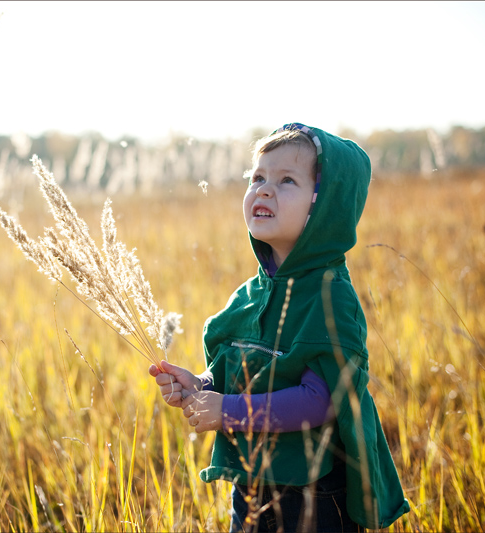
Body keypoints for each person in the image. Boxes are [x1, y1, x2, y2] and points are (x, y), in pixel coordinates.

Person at [149, 123, 410, 532]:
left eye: (287, 180)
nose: (265, 190)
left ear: (325, 207)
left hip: (314, 491)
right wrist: (200, 386)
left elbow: (320, 399)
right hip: (251, 482)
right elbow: (239, 370)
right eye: (257, 177)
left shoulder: (330, 297)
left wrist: (227, 411)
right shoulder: (250, 294)